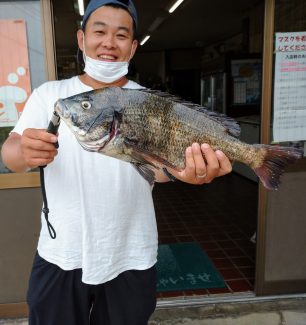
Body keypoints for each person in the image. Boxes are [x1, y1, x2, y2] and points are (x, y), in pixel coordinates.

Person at [1, 0, 232, 324]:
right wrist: (23, 151)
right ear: (81, 39)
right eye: (99, 31)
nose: (109, 42)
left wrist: (184, 174)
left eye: (121, 35)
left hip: (131, 253)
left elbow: (155, 170)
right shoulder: (52, 95)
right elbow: (11, 153)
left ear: (134, 46)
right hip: (62, 253)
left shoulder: (147, 101)